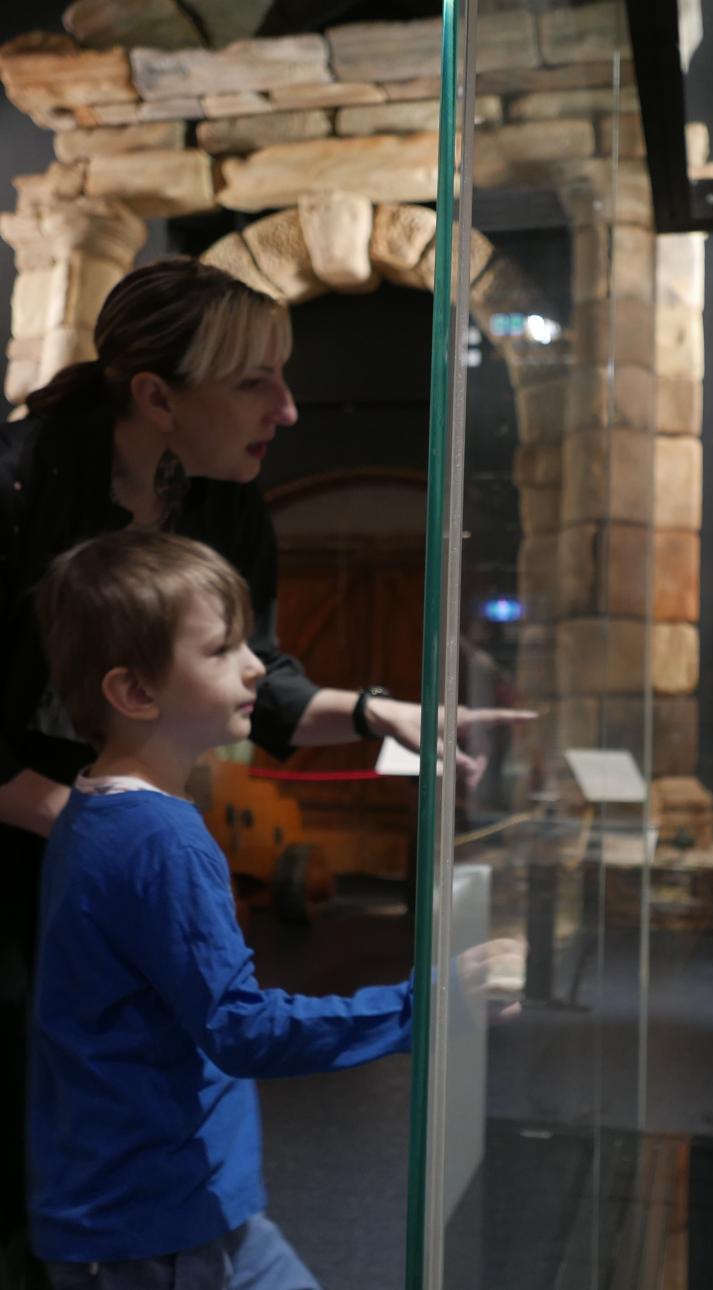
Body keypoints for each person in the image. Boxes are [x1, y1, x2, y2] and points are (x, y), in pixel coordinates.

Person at [0, 256, 531, 1286]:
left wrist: (384, 714)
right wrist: (89, 822)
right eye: (255, 382)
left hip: (103, 821)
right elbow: (247, 1027)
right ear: (155, 396)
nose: (288, 410)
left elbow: (256, 678)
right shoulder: (17, 484)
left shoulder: (217, 497)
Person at [28, 530, 521, 1289]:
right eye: (222, 649)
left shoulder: (94, 812)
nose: (256, 664)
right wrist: (433, 1004)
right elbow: (242, 1030)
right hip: (154, 1231)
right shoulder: (161, 840)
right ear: (135, 692)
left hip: (170, 1208)